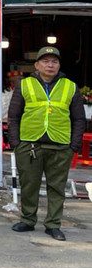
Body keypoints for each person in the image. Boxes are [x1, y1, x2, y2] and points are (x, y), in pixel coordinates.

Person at [7, 46, 85, 241]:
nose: (50, 65)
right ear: (37, 65)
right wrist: (16, 143)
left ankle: (53, 224)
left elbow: (79, 119)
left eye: (54, 61)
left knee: (57, 187)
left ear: (59, 65)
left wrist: (73, 146)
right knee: (29, 185)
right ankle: (27, 219)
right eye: (45, 61)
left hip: (60, 146)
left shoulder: (70, 86)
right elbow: (14, 116)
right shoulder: (25, 85)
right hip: (30, 144)